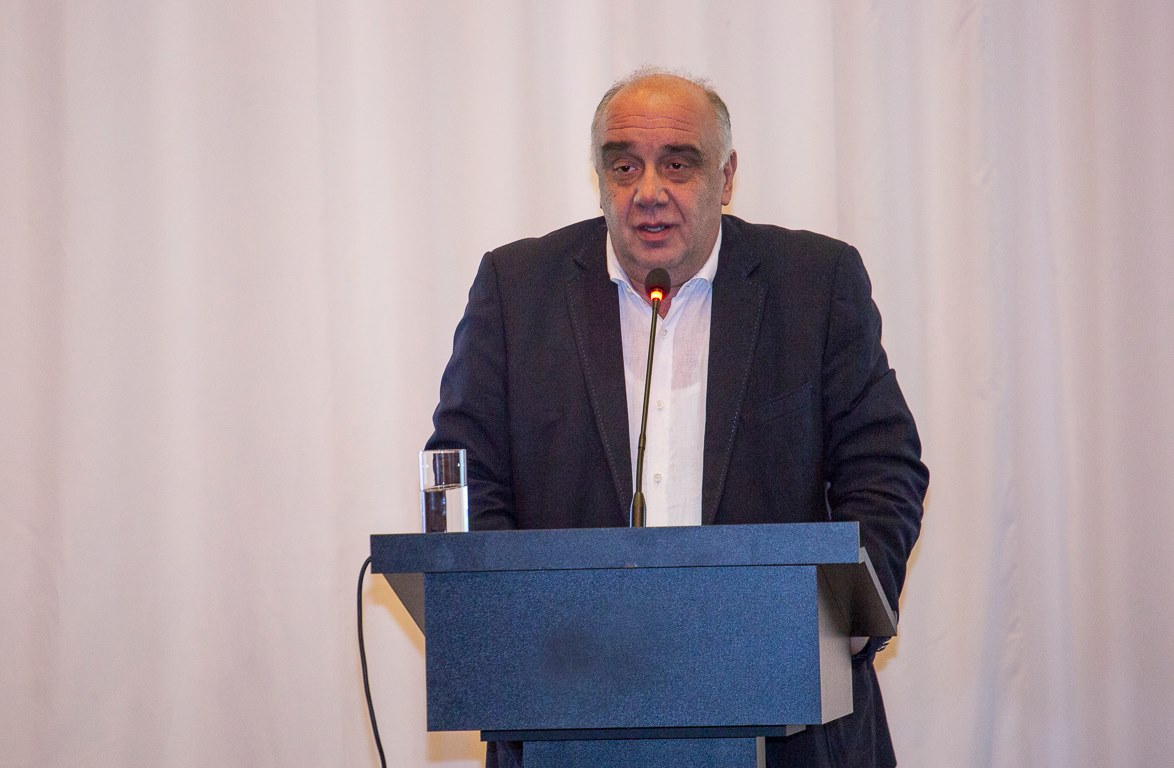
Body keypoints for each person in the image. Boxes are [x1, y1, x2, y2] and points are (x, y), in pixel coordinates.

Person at [426, 69, 928, 768]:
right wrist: (515, 626)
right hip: (567, 711)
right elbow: (467, 473)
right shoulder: (517, 290)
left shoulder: (814, 282)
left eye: (679, 164)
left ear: (726, 178)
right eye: (623, 166)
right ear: (600, 178)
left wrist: (839, 618)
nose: (649, 191)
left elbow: (883, 468)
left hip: (791, 720)